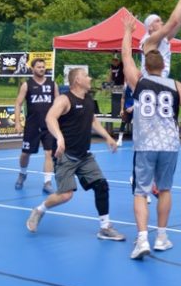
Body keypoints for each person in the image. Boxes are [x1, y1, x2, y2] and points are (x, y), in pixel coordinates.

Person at [122, 13, 181, 260]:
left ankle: (142, 239)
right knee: (164, 190)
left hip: (145, 144)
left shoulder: (138, 81)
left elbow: (125, 58)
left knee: (141, 193)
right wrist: (180, 130)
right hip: (169, 144)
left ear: (145, 62)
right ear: (163, 65)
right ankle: (162, 237)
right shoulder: (176, 85)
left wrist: (126, 32)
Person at [26, 67, 125, 242]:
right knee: (66, 195)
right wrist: (60, 138)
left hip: (84, 155)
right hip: (66, 155)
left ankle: (104, 228)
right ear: (77, 80)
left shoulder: (88, 99)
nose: (90, 77)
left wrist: (108, 137)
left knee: (101, 185)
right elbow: (50, 118)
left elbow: (93, 120)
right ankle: (39, 210)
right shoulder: (65, 99)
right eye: (86, 76)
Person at [14, 58, 59, 194]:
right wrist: (17, 122)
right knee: (25, 154)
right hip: (32, 125)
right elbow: (18, 104)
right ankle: (22, 173)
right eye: (38, 67)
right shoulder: (27, 85)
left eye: (43, 67)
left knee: (49, 153)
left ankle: (47, 182)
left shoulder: (53, 84)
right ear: (32, 69)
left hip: (49, 125)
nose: (41, 69)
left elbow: (58, 104)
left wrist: (60, 121)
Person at [140, 0, 181, 78]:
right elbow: (173, 22)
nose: (162, 23)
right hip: (151, 81)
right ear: (150, 27)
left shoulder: (163, 38)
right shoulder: (150, 40)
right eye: (157, 21)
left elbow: (180, 21)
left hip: (159, 80)